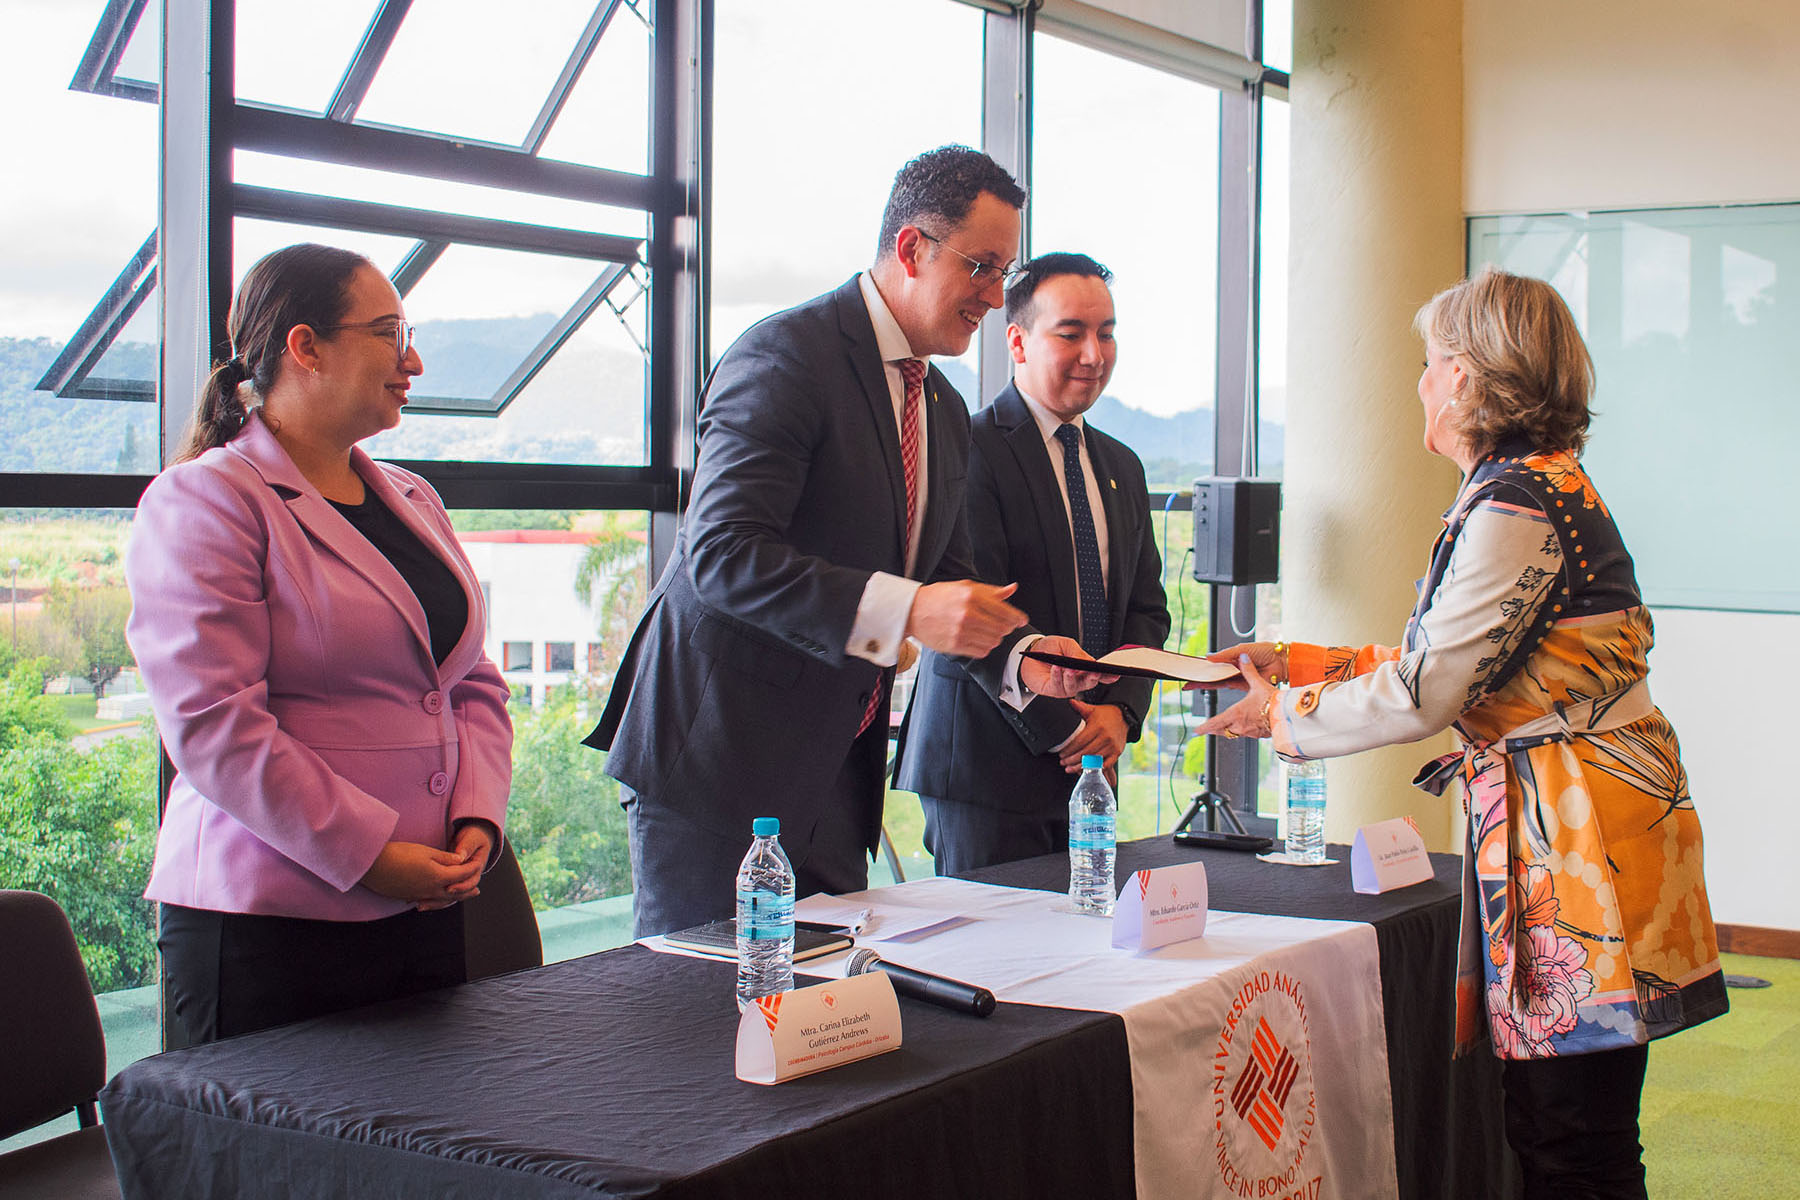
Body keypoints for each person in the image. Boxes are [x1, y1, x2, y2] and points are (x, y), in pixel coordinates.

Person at [1198, 266, 1726, 1198]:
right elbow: (1455, 662)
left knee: (1572, 1136)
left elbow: (1427, 691)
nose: (1420, 383)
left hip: (1579, 844)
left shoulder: (1517, 502)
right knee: (1566, 1125)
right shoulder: (1530, 486)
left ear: (1469, 376)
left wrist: (1284, 716)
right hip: (1583, 825)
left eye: (1431, 361)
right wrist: (1298, 664)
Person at [584, 147, 1106, 936]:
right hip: (718, 760)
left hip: (833, 772)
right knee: (701, 1006)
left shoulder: (940, 407)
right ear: (912, 248)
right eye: (982, 267)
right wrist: (910, 611)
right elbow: (721, 552)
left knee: (826, 1002)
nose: (997, 295)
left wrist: (1024, 656)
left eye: (1005, 272)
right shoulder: (787, 355)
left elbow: (949, 585)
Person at [126, 243, 513, 1043]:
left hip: (425, 902)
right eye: (388, 333)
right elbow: (214, 725)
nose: (413, 360)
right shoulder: (207, 499)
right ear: (305, 346)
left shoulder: (413, 496)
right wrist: (370, 854)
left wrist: (477, 816)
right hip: (268, 925)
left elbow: (470, 680)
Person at [894, 253, 1170, 873]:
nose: (1094, 355)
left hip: (1093, 766)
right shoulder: (965, 446)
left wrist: (1118, 714)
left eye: (1106, 334)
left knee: (1088, 930)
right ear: (1017, 342)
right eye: (1071, 334)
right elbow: (969, 609)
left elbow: (1146, 611)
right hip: (985, 770)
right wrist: (1071, 731)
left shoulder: (1122, 465)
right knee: (989, 939)